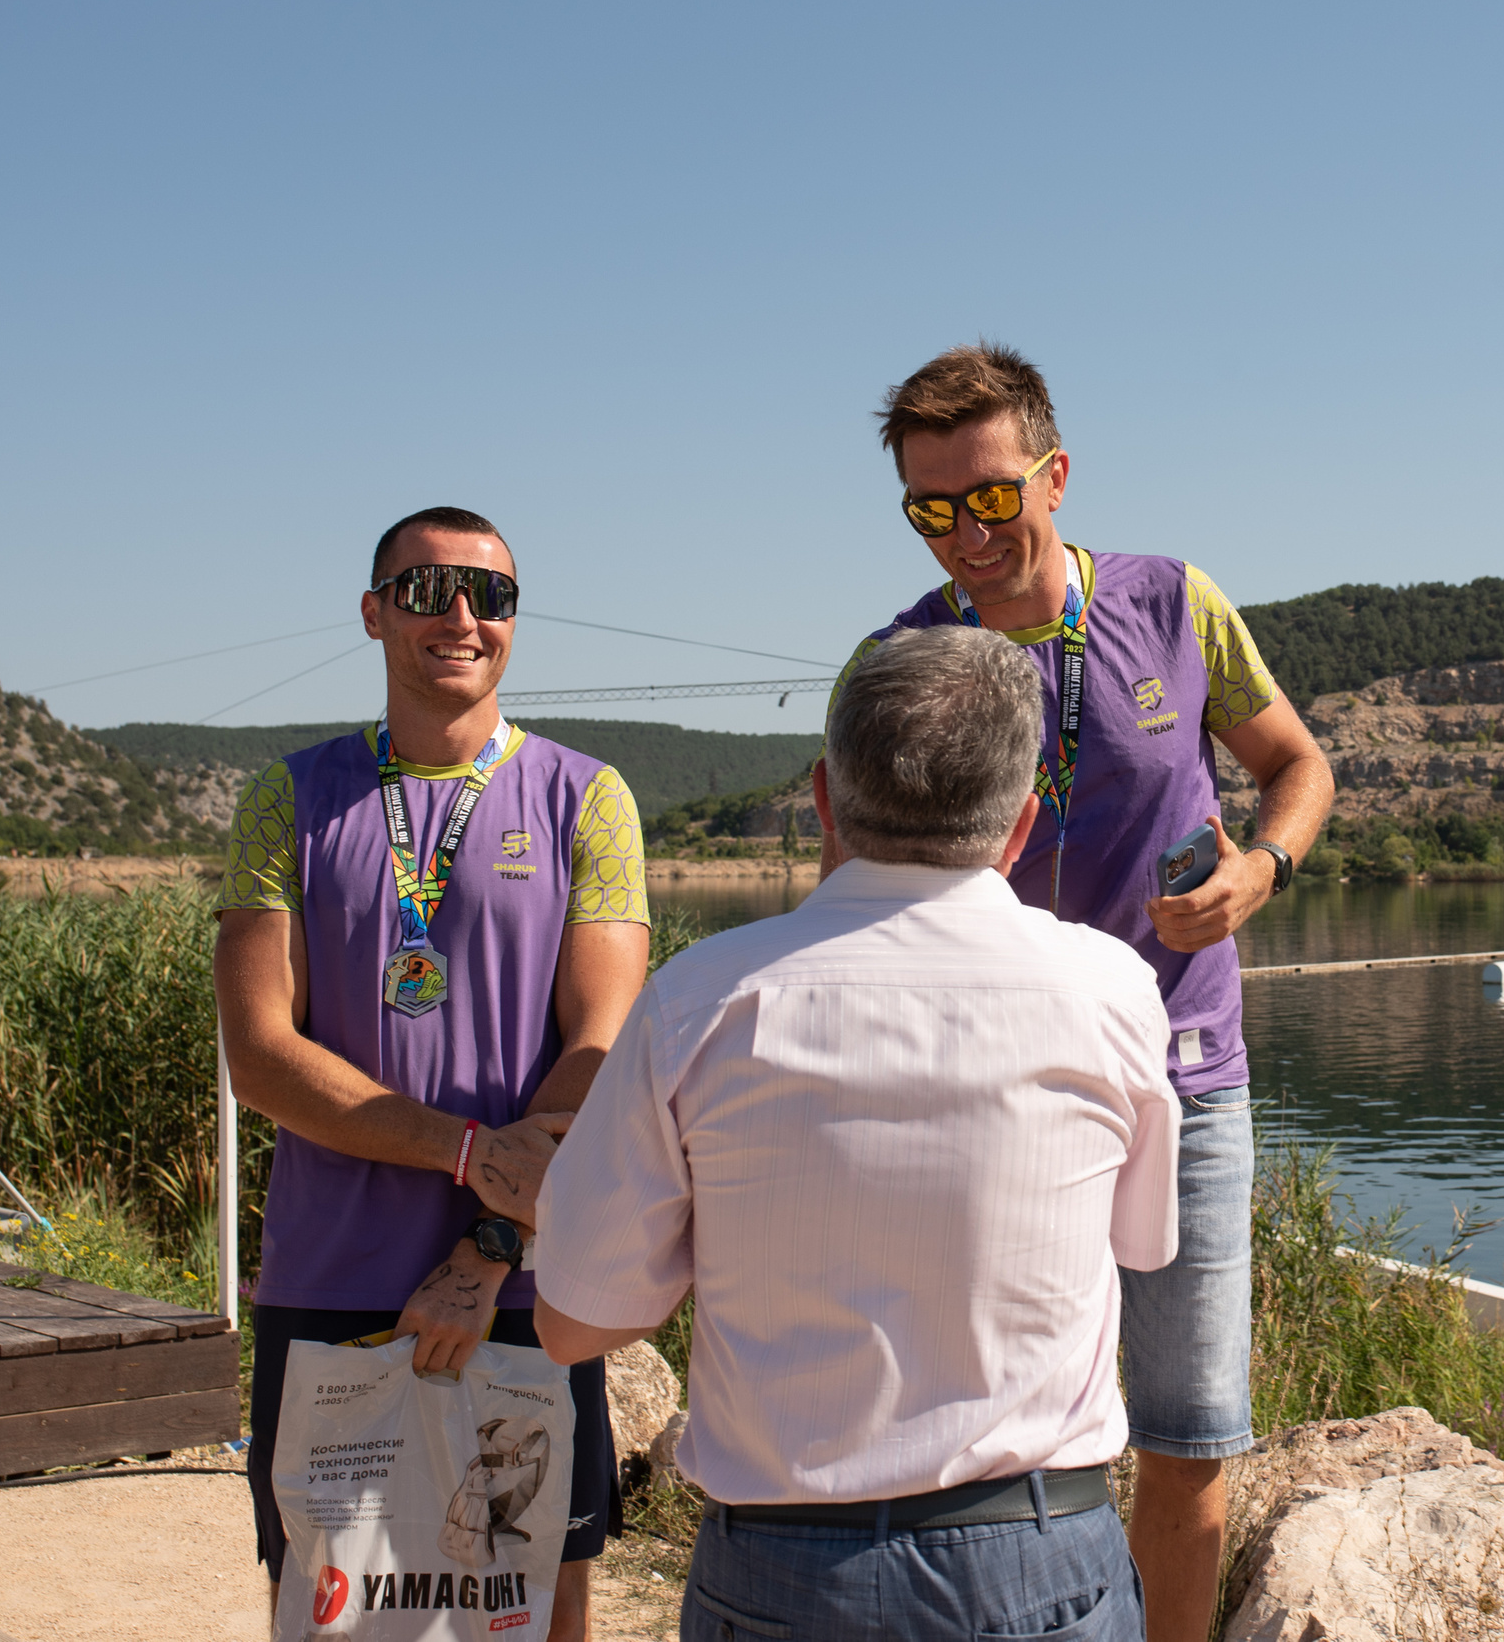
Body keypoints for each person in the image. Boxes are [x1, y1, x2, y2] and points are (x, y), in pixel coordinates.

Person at [819, 342, 1334, 1642]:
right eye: (930, 508)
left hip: (1184, 1071)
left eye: (990, 495)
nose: (965, 532)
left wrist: (1259, 868)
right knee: (988, 1424)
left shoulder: (1173, 600)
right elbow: (847, 882)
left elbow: (1298, 764)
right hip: (984, 1089)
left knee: (1188, 1430)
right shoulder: (901, 657)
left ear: (1055, 473)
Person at [534, 625, 1179, 1642]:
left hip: (783, 1571)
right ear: (1020, 825)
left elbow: (573, 1321)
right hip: (1039, 1556)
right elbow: (1142, 1247)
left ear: (826, 802)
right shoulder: (1111, 992)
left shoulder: (702, 1000)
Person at [215, 506, 652, 1641]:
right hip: (332, 1277)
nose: (461, 618)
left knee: (539, 1595)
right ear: (374, 614)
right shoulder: (288, 799)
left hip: (526, 1286)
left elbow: (603, 1051)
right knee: (327, 1594)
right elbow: (261, 1054)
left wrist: (490, 1242)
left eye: (490, 596)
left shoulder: (587, 799)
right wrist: (465, 1150)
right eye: (426, 592)